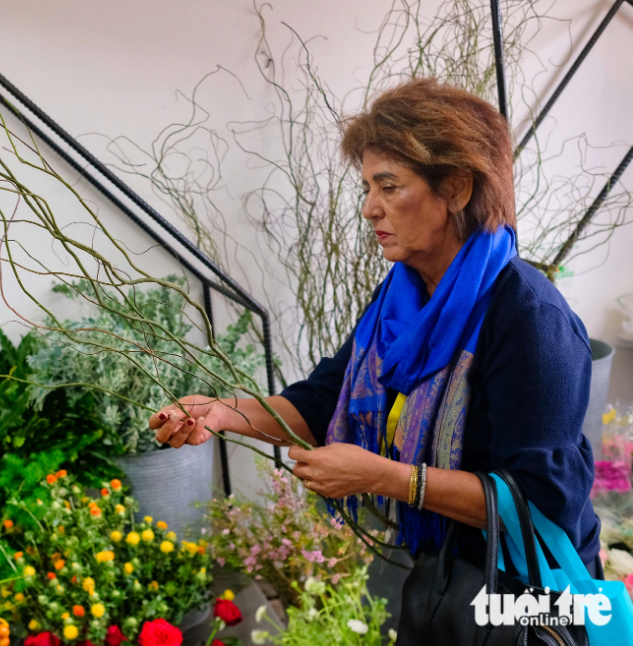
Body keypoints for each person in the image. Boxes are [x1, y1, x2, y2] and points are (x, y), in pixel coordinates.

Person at [149, 78, 600, 575]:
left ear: (455, 187)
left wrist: (389, 479)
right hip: (442, 573)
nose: (369, 208)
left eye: (389, 186)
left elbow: (540, 504)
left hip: (525, 591)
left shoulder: (530, 319)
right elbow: (324, 401)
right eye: (367, 188)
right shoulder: (401, 298)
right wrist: (221, 413)